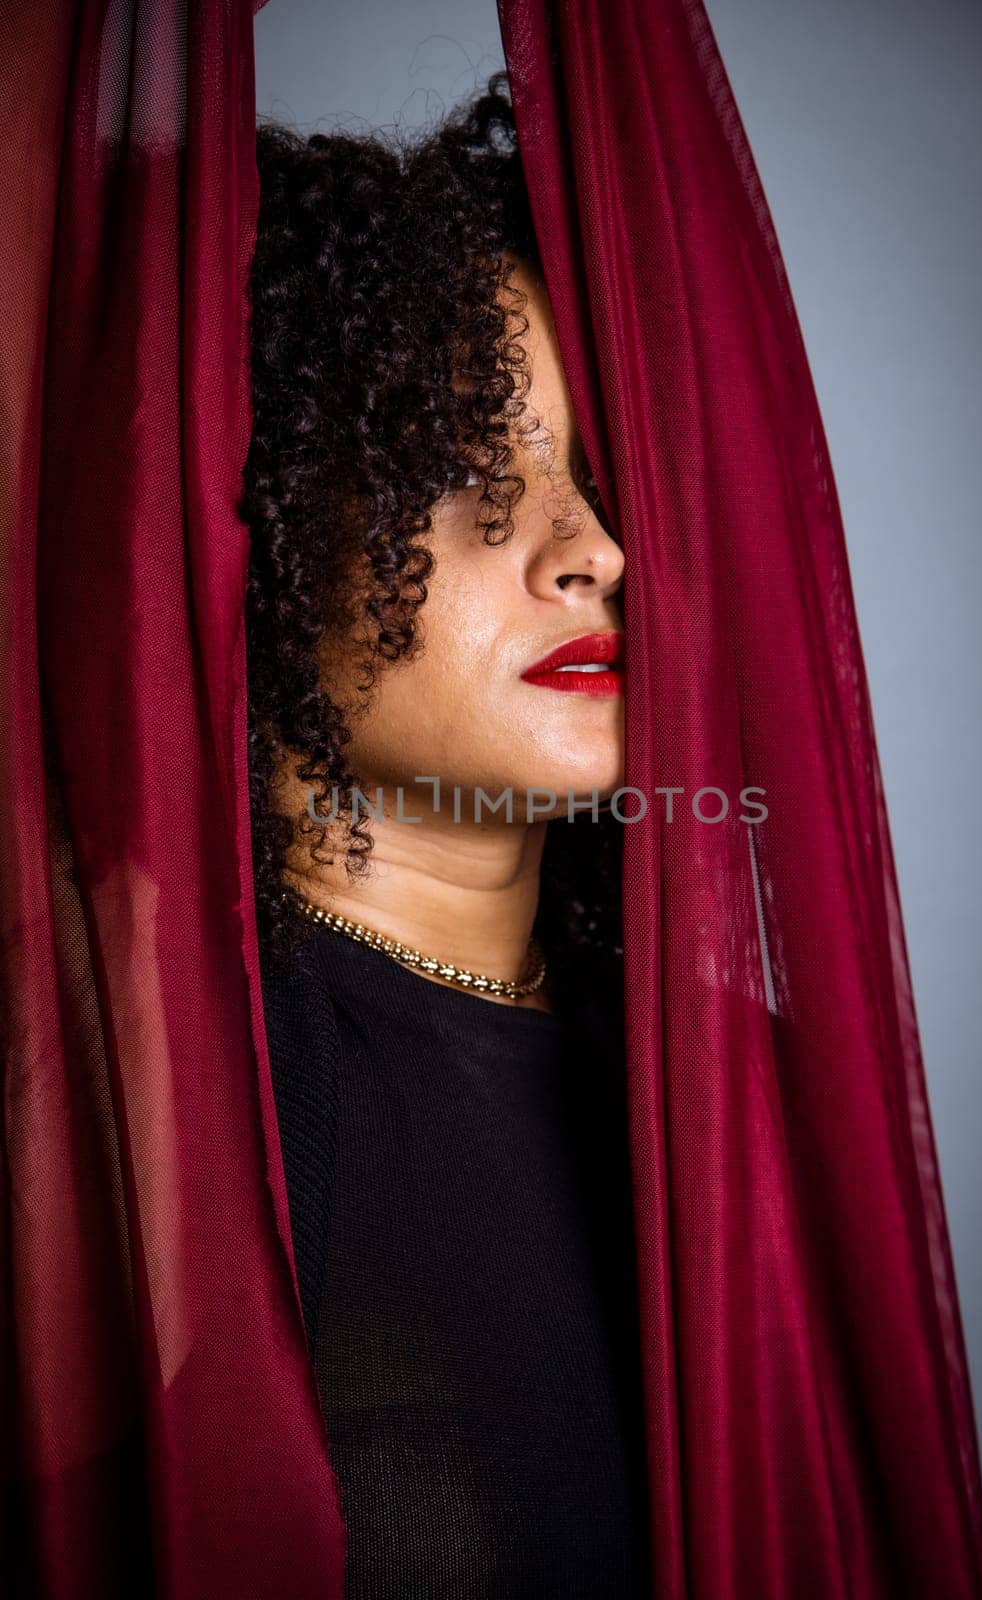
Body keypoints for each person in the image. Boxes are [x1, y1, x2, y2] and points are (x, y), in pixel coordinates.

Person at [240, 71, 650, 1596]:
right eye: (470, 466)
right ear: (270, 516)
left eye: (596, 475)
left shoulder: (717, 1078)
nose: (587, 550)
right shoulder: (163, 1103)